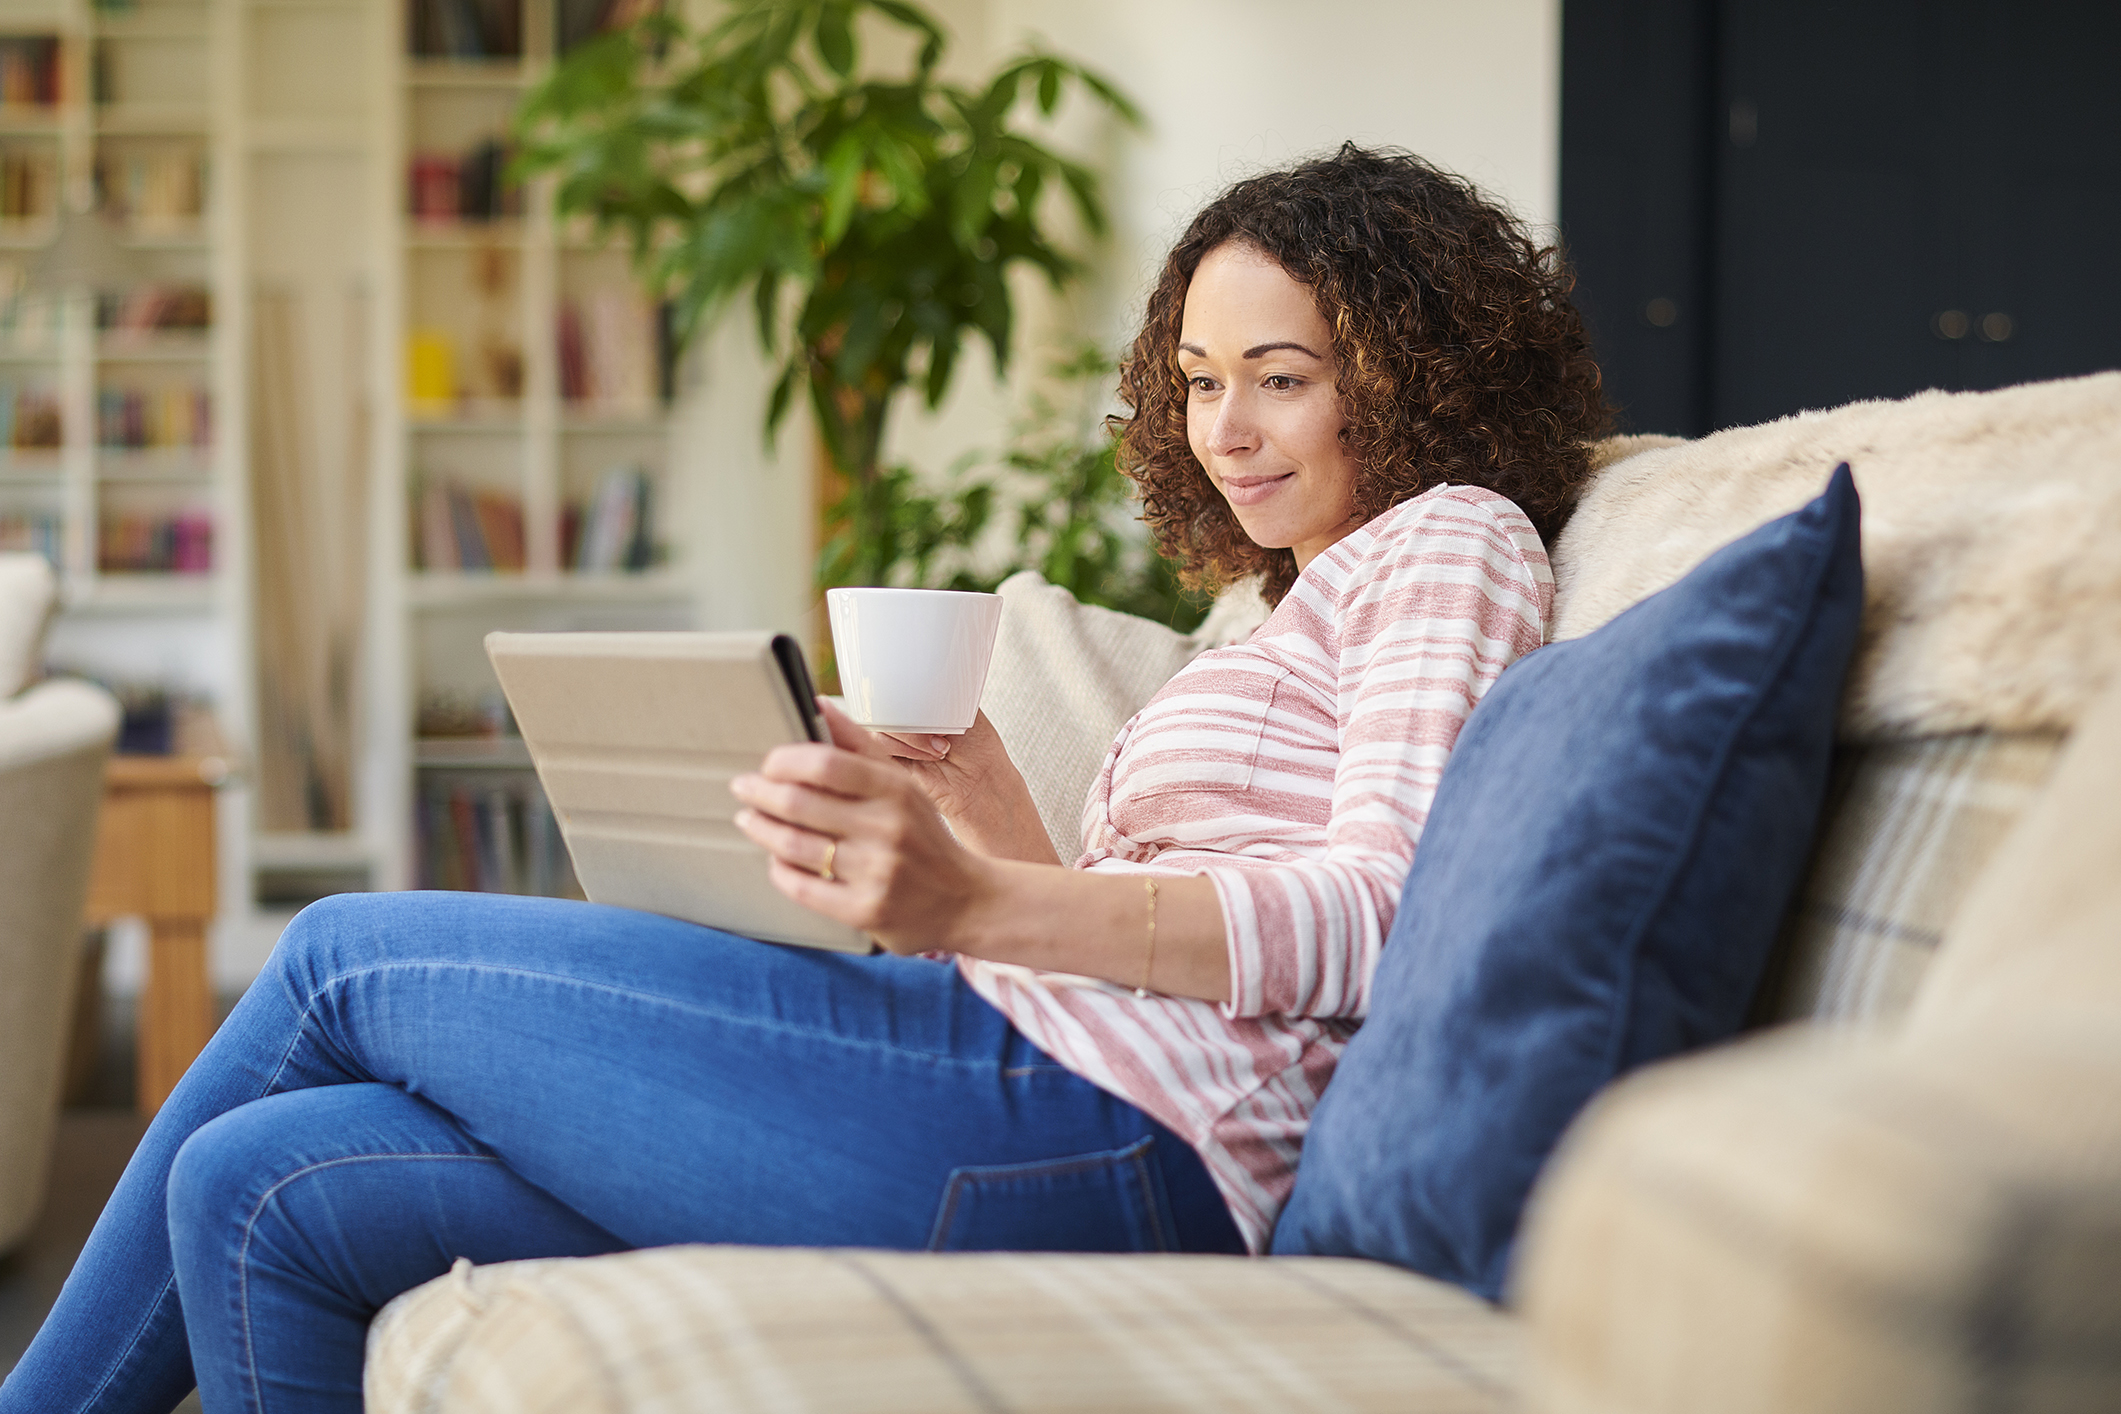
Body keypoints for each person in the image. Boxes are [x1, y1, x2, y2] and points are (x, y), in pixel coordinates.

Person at [0, 144, 1608, 1412]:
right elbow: (1137, 917)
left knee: (340, 953)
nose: (1225, 431)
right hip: (1062, 1083)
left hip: (1122, 1137)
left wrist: (979, 894)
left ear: (1408, 374)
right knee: (261, 1183)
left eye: (1279, 375)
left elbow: (1388, 918)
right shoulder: (1275, 605)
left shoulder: (1442, 539)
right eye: (1195, 380)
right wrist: (973, 799)